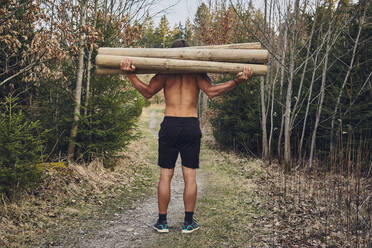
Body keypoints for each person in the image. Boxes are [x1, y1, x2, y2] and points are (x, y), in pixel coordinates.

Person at [120, 39, 253, 234]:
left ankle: (162, 222)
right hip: (190, 125)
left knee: (166, 175)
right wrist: (236, 81)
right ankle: (188, 223)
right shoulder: (196, 72)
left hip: (170, 124)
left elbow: (148, 92)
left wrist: (130, 76)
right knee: (190, 176)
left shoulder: (166, 72)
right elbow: (212, 92)